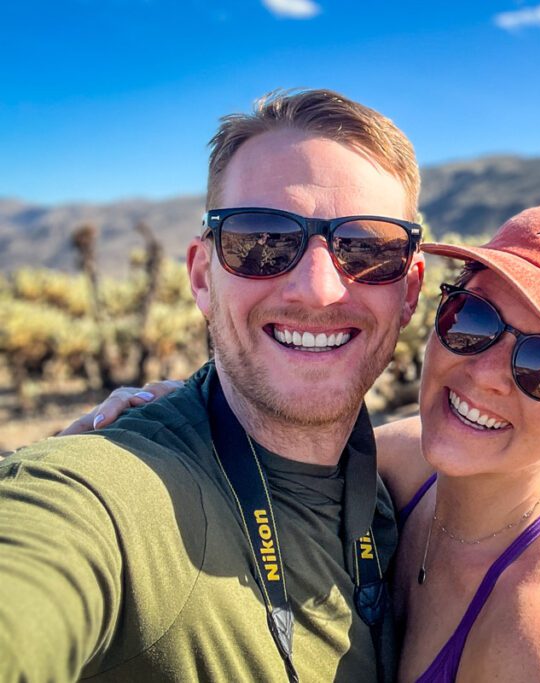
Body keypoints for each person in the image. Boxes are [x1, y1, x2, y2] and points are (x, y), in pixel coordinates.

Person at [71, 205, 540, 681]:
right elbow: (268, 441)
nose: (485, 373)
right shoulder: (407, 462)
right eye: (473, 320)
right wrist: (160, 418)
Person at [0, 89, 424, 682]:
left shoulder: (404, 492)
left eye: (367, 249)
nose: (319, 289)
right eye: (263, 241)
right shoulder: (110, 498)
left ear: (409, 290)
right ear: (203, 277)